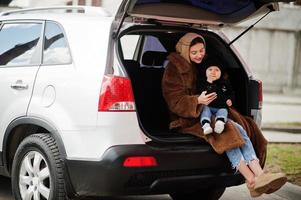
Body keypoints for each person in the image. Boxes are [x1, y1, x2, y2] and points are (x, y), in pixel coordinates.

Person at [162, 32, 287, 197]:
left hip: (214, 110)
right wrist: (197, 100)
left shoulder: (207, 64)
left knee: (244, 128)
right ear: (185, 51)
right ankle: (252, 179)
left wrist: (223, 93)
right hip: (188, 117)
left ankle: (258, 177)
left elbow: (223, 86)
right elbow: (174, 101)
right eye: (194, 52)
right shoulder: (174, 69)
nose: (199, 55)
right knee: (228, 129)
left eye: (201, 50)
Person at [198, 59, 234, 135]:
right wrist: (209, 82)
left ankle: (220, 123)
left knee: (224, 111)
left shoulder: (224, 83)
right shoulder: (203, 83)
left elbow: (230, 93)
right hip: (208, 105)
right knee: (204, 110)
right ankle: (206, 125)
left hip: (221, 106)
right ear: (205, 72)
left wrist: (230, 99)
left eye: (217, 70)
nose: (213, 72)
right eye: (210, 69)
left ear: (221, 73)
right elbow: (202, 93)